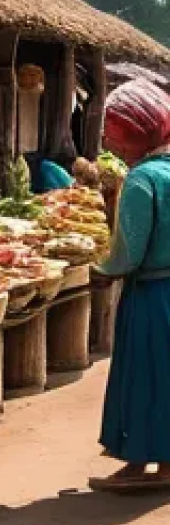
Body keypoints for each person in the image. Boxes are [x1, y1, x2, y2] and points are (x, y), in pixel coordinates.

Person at [90, 82, 170, 490]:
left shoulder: (141, 180)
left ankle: (144, 461)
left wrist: (101, 270)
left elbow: (129, 251)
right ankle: (147, 464)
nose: (110, 141)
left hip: (150, 296)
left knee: (144, 376)